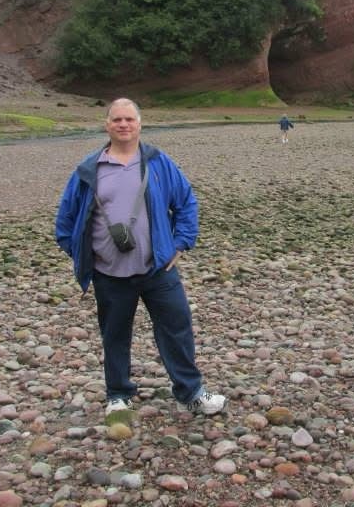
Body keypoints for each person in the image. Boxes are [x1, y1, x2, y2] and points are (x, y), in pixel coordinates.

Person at [55, 98, 226, 417]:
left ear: (139, 124)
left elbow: (186, 202)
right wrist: (82, 255)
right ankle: (118, 395)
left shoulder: (158, 162)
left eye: (129, 119)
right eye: (117, 119)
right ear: (107, 125)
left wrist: (180, 243)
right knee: (115, 335)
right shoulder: (88, 169)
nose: (123, 125)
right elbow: (66, 219)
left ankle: (191, 392)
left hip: (158, 269)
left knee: (177, 328)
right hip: (109, 274)